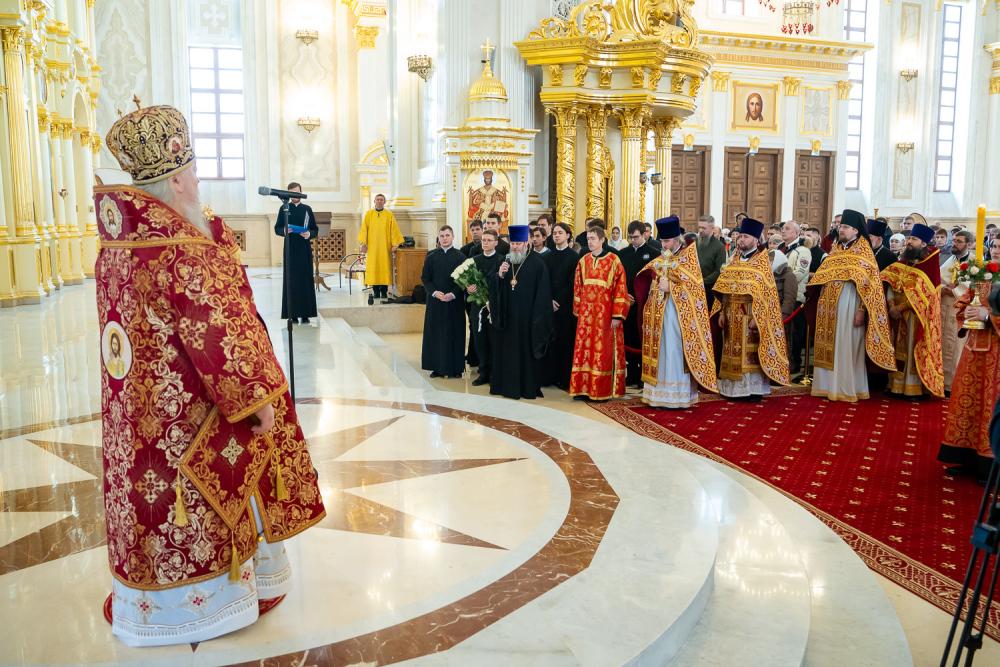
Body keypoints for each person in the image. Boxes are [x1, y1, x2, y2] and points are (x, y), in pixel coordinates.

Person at [97, 103, 325, 646]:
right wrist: (256, 401)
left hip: (137, 417)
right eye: (195, 172)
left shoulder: (118, 243)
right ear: (177, 180)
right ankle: (212, 606)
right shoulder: (181, 250)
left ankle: (147, 605)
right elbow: (214, 332)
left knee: (149, 502)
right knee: (202, 501)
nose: (199, 182)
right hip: (191, 414)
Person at [808, 209, 895, 402]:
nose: (841, 229)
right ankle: (827, 386)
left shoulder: (864, 252)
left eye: (845, 227)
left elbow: (870, 286)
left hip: (850, 304)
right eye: (841, 226)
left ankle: (846, 388)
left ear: (856, 230)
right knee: (830, 345)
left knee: (846, 346)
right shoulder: (836, 249)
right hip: (828, 306)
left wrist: (861, 311)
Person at [634, 217, 718, 408]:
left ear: (677, 239)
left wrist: (671, 287)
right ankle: (657, 395)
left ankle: (675, 397)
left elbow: (695, 289)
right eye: (662, 241)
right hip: (658, 315)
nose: (664, 245)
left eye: (667, 241)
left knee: (674, 351)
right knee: (660, 350)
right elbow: (648, 280)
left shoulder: (689, 259)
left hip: (678, 316)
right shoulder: (660, 259)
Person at [713, 218, 790, 400]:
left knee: (750, 355)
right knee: (731, 351)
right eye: (740, 236)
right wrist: (722, 312)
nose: (741, 240)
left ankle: (752, 391)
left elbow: (766, 295)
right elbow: (725, 288)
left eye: (746, 237)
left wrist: (759, 317)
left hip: (750, 316)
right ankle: (732, 390)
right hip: (731, 315)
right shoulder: (734, 260)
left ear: (756, 239)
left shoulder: (761, 263)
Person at [938, 275, 1000, 481]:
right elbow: (966, 299)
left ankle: (990, 464)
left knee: (990, 404)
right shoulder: (983, 273)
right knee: (967, 403)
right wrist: (967, 312)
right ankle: (967, 457)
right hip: (974, 351)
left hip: (996, 356)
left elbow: (988, 312)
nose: (996, 256)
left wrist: (988, 316)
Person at [489, 225, 553, 399]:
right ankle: (505, 386)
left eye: (518, 243)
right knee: (507, 352)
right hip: (507, 317)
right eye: (513, 243)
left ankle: (526, 387)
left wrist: (537, 318)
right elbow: (493, 286)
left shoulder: (538, 264)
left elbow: (543, 294)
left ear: (526, 243)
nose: (515, 247)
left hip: (528, 319)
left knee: (525, 354)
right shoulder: (505, 262)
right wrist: (499, 276)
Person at [881, 223, 945, 399]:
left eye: (914, 239)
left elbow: (926, 296)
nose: (909, 242)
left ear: (923, 243)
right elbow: (889, 284)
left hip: (915, 317)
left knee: (912, 350)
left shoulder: (929, 266)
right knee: (897, 350)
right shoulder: (902, 262)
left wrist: (901, 307)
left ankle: (912, 388)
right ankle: (895, 386)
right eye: (909, 238)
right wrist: (891, 305)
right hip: (896, 316)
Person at [569, 226, 629, 400]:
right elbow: (577, 287)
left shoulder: (614, 260)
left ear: (602, 240)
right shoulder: (583, 261)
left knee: (603, 351)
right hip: (586, 316)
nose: (590, 242)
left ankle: (601, 391)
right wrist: (579, 311)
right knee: (584, 351)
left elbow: (621, 288)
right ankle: (582, 389)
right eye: (588, 238)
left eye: (593, 238)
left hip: (605, 316)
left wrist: (617, 315)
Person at [420, 226, 466, 378]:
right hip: (435, 302)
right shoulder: (431, 256)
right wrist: (434, 292)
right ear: (438, 238)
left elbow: (464, 280)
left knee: (455, 333)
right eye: (442, 236)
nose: (445, 238)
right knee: (436, 333)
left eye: (447, 235)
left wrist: (453, 293)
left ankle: (456, 369)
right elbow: (425, 278)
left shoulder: (461, 257)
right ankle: (436, 367)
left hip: (454, 303)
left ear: (453, 237)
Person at [618, 220, 659, 387]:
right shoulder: (623, 253)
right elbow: (619, 277)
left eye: (635, 237)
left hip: (645, 303)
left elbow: (655, 280)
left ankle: (643, 374)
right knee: (628, 336)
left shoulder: (654, 254)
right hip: (627, 302)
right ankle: (632, 374)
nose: (632, 240)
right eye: (630, 237)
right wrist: (624, 294)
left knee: (643, 337)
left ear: (644, 234)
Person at [273, 182, 319, 324]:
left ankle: (306, 314)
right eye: (291, 193)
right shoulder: (284, 208)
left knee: (305, 280)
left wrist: (309, 234)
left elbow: (315, 229)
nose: (294, 195)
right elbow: (277, 228)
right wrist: (284, 230)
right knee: (291, 280)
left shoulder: (307, 209)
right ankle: (291, 314)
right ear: (288, 194)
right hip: (290, 249)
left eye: (297, 192)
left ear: (301, 192)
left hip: (304, 249)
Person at [541, 222, 579, 390]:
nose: (556, 235)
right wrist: (549, 299)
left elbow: (572, 283)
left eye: (560, 233)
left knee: (565, 342)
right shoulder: (547, 257)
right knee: (550, 341)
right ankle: (549, 376)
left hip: (566, 307)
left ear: (568, 235)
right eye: (554, 233)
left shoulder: (574, 257)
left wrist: (559, 301)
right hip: (548, 305)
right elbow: (544, 281)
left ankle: (564, 378)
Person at [467, 229, 504, 386]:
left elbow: (502, 284)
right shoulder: (474, 260)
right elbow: (468, 282)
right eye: (484, 240)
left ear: (496, 242)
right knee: (480, 340)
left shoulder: (502, 260)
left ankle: (495, 373)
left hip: (495, 307)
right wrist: (469, 288)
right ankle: (483, 373)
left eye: (489, 240)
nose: (485, 243)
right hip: (478, 306)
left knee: (494, 340)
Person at [941, 230, 975, 393]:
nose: (954, 244)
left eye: (959, 241)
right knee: (942, 344)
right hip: (944, 307)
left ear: (969, 244)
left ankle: (952, 384)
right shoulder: (949, 260)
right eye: (954, 240)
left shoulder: (975, 262)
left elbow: (975, 286)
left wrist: (956, 290)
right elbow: (938, 278)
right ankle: (940, 381)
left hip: (960, 310)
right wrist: (944, 287)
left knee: (956, 347)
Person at [359, 193, 404, 305]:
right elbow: (364, 229)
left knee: (385, 268)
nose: (379, 201)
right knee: (374, 268)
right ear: (374, 201)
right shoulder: (369, 214)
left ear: (384, 202)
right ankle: (375, 292)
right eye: (377, 199)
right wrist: (363, 243)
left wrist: (395, 244)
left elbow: (394, 230)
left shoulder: (389, 215)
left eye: (381, 200)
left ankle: (384, 292)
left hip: (385, 247)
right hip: (373, 248)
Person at [778, 221, 810, 374]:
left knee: (794, 333)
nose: (783, 231)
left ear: (797, 233)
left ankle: (795, 362)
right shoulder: (780, 249)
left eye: (787, 228)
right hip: (779, 295)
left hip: (795, 296)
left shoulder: (803, 250)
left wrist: (781, 282)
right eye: (782, 228)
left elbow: (800, 272)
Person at [696, 215, 727, 306]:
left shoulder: (719, 247)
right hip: (693, 288)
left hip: (710, 291)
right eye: (699, 227)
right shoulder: (694, 243)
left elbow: (719, 271)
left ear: (712, 228)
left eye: (703, 228)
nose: (700, 230)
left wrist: (702, 281)